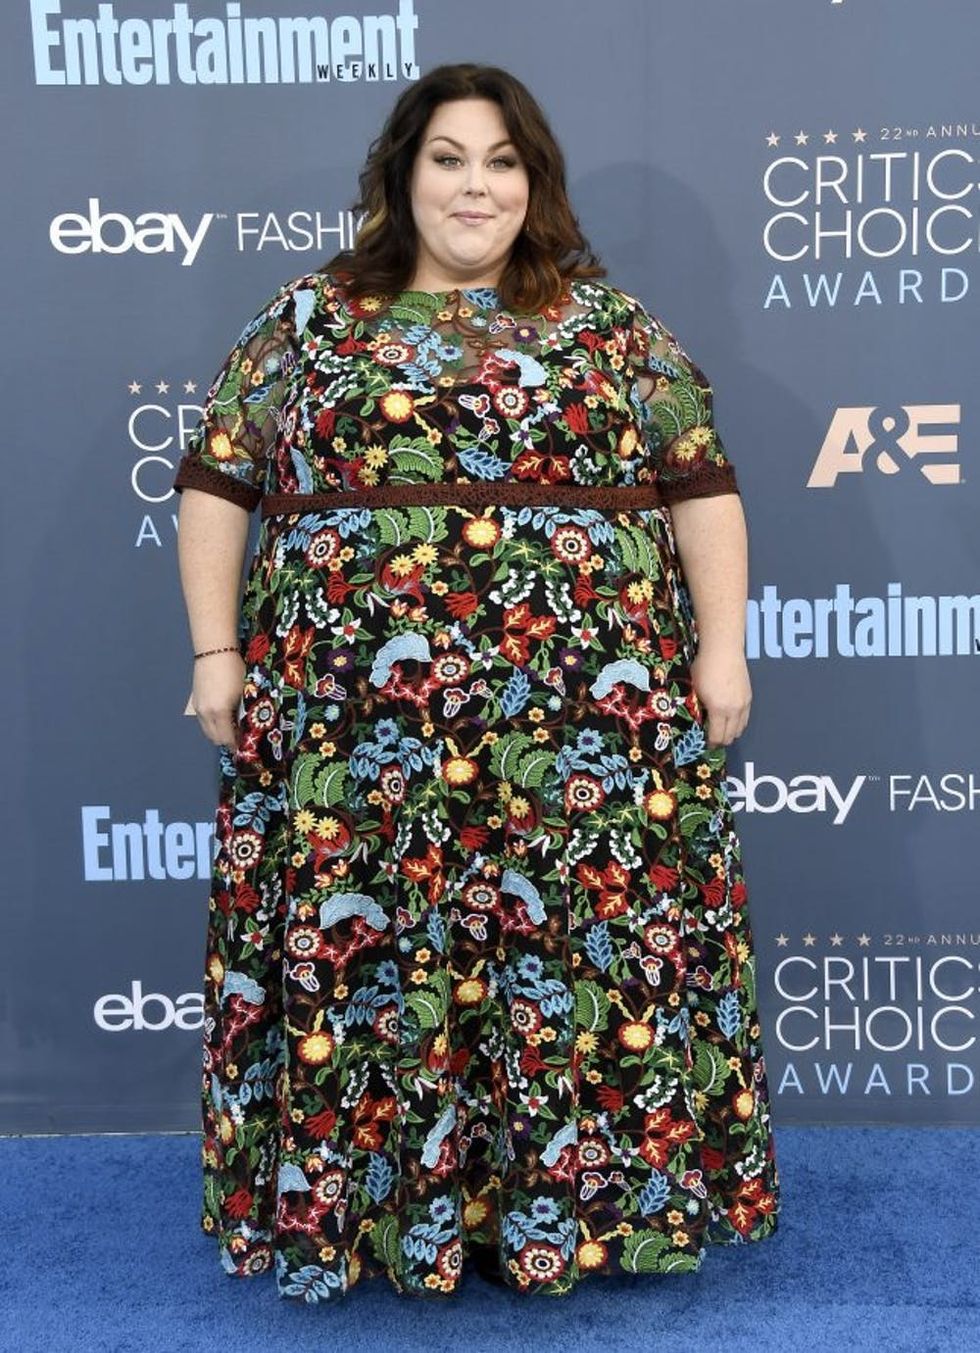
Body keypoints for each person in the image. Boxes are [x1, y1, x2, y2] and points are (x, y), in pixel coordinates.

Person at [173, 61, 780, 1304]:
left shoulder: (609, 326)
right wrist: (215, 650)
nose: (474, 185)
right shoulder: (307, 320)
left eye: (501, 161)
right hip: (356, 730)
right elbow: (217, 481)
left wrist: (721, 646)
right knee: (380, 962)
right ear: (402, 174)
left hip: (581, 729)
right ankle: (391, 1219)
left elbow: (698, 482)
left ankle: (569, 1213)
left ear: (532, 182)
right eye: (448, 157)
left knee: (575, 955)